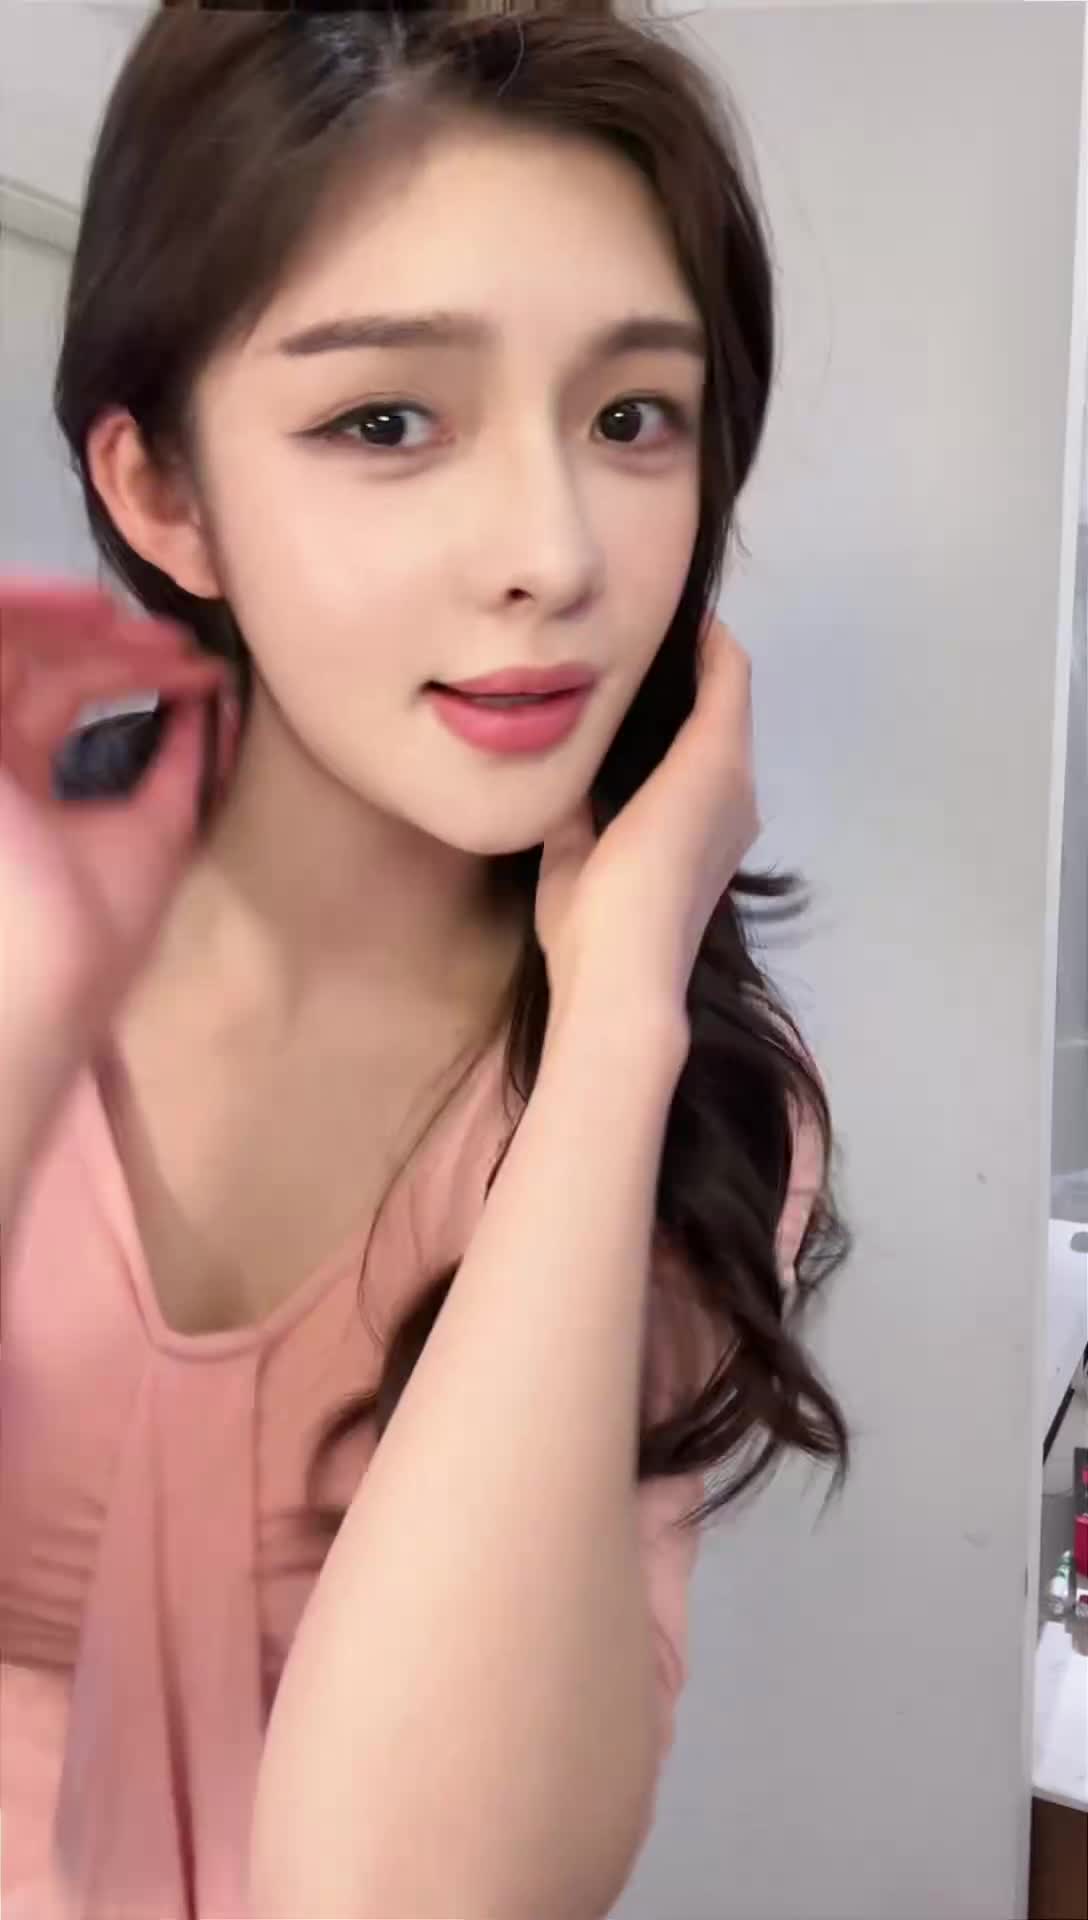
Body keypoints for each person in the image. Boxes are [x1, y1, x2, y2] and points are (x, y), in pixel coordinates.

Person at [0, 3, 853, 1915]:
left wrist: (617, 1022)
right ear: (164, 494)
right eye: (388, 419)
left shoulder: (702, 1106)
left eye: (631, 418)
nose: (555, 553)